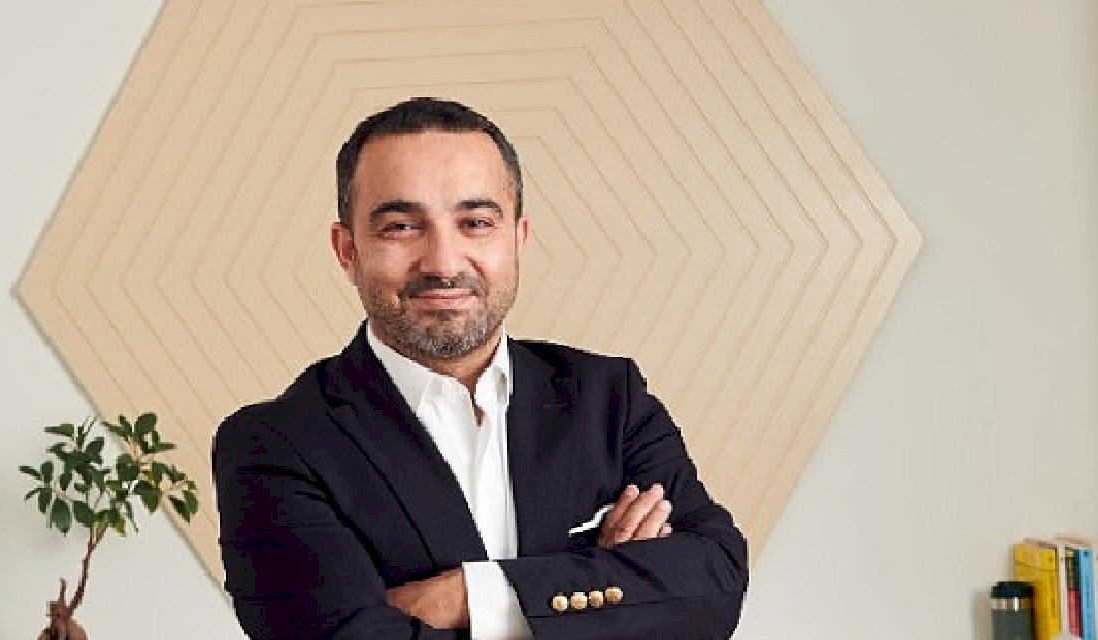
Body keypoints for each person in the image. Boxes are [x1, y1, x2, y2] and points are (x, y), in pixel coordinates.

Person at [212, 97, 748, 639]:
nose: (444, 263)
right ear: (347, 251)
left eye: (475, 222)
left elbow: (716, 581)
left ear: (518, 237)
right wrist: (600, 590)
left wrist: (470, 595)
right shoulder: (273, 446)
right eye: (401, 226)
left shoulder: (611, 399)